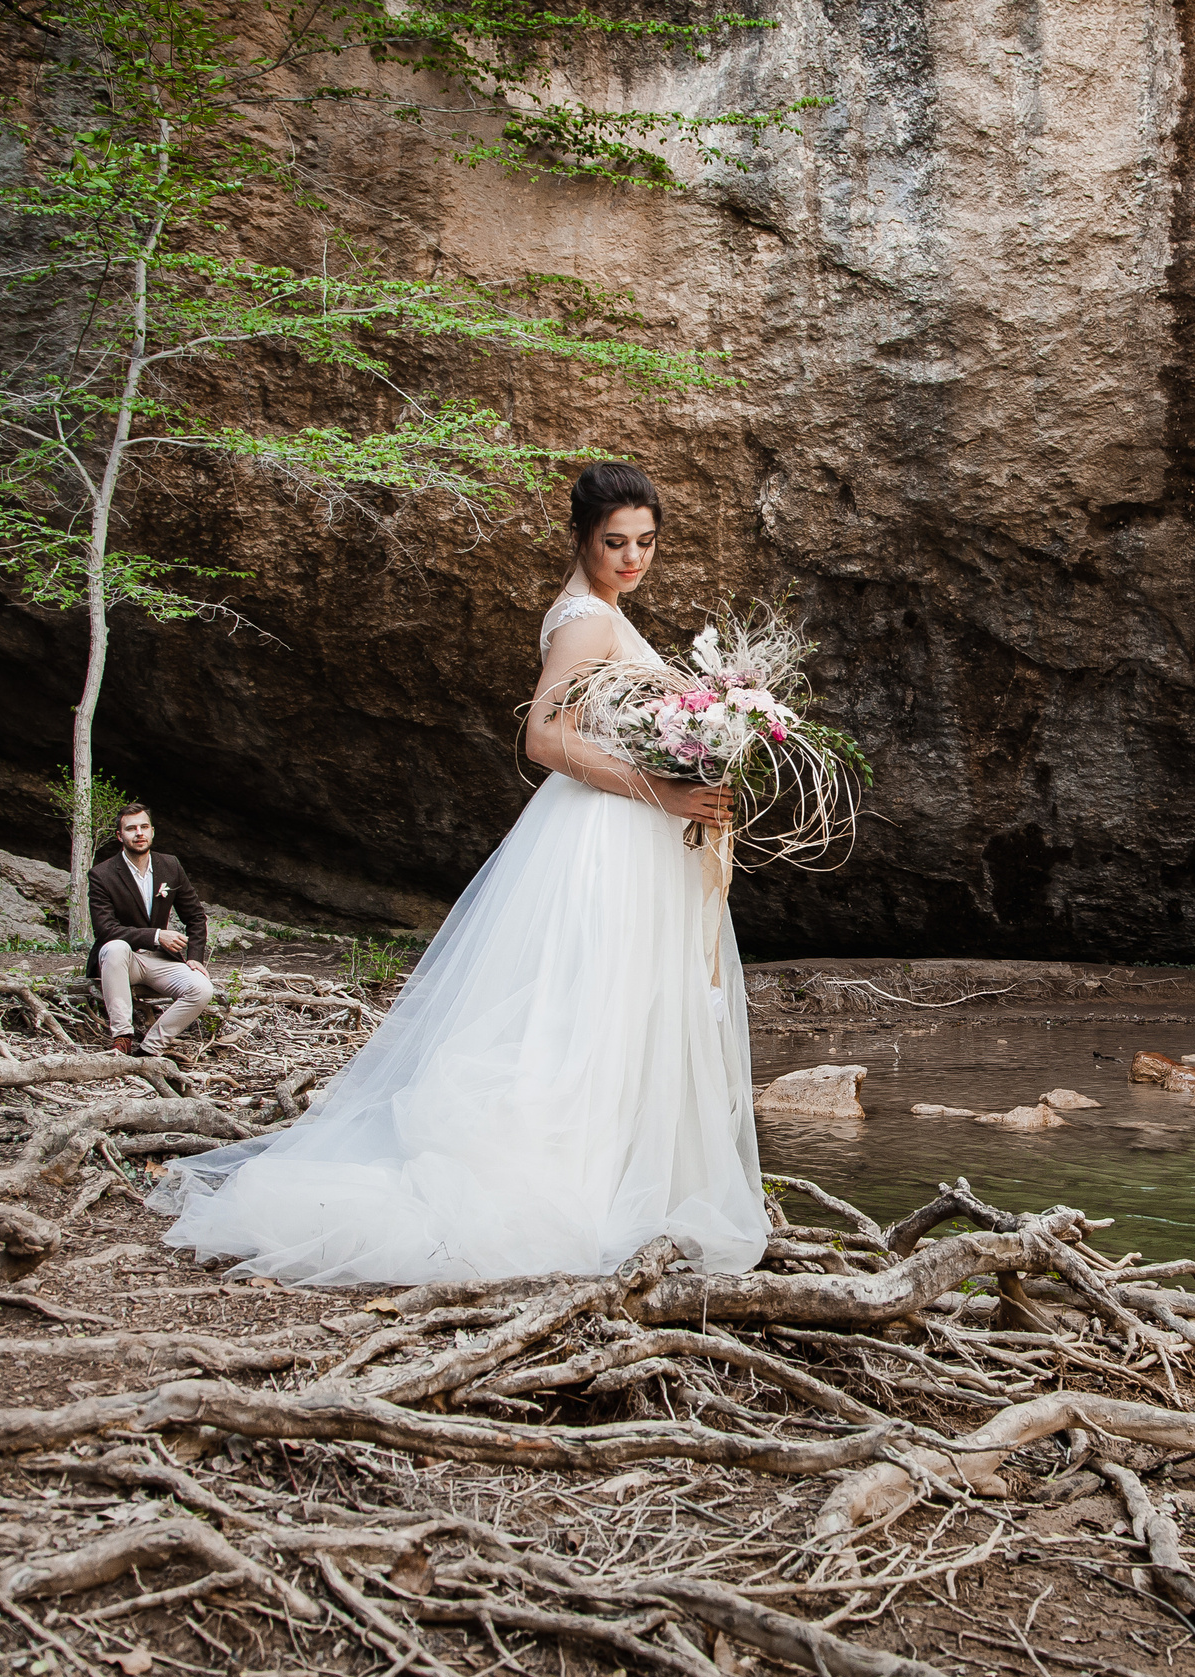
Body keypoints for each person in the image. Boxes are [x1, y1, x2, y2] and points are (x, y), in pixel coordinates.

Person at [149, 462, 768, 1284]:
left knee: (608, 1004)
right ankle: (565, 1183)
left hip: (628, 828)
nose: (631, 558)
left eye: (645, 542)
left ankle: (620, 1171)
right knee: (588, 1004)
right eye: (614, 542)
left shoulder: (605, 613)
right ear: (581, 537)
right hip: (605, 832)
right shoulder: (585, 620)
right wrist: (668, 789)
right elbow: (544, 741)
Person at [88, 803, 215, 1056]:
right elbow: (105, 929)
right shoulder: (102, 875)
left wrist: (194, 957)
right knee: (114, 947)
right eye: (131, 828)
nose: (139, 833)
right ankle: (122, 1037)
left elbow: (195, 917)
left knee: (202, 989)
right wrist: (158, 936)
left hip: (159, 961)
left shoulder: (170, 866)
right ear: (119, 836)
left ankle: (149, 1049)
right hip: (123, 961)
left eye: (144, 827)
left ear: (153, 831)